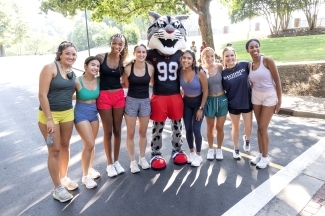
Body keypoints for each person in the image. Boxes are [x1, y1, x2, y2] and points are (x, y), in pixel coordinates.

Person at [146, 11, 188, 170]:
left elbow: (189, 71)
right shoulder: (150, 54)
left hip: (175, 94)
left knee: (178, 125)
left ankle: (177, 149)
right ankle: (155, 153)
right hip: (158, 95)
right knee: (158, 127)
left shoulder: (180, 54)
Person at [38, 41, 78, 202]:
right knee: (54, 150)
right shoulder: (50, 68)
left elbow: (70, 94)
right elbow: (42, 95)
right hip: (49, 116)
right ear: (60, 54)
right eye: (67, 53)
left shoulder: (71, 71)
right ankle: (57, 188)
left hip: (67, 114)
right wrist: (49, 119)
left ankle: (64, 177)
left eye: (74, 54)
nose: (71, 56)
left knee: (65, 146)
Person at [96, 34, 128, 177]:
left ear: (123, 45)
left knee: (118, 131)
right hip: (104, 97)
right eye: (114, 43)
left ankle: (116, 162)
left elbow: (126, 81)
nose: (117, 46)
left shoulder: (123, 61)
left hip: (119, 97)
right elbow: (90, 72)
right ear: (110, 43)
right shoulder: (101, 57)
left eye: (120, 44)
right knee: (108, 132)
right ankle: (109, 164)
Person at [246, 39, 282, 168]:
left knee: (263, 127)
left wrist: (279, 100)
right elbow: (252, 81)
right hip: (256, 96)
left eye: (256, 46)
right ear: (247, 50)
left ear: (259, 48)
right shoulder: (250, 65)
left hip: (269, 96)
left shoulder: (267, 60)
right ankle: (261, 154)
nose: (254, 49)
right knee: (259, 127)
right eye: (251, 47)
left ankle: (266, 157)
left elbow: (277, 81)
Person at [122, 44, 154, 173]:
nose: (141, 54)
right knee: (130, 133)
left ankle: (142, 158)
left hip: (145, 101)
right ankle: (133, 162)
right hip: (131, 101)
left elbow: (153, 82)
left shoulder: (150, 68)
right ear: (134, 53)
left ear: (146, 54)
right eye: (139, 52)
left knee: (143, 132)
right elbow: (124, 83)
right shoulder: (128, 68)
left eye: (143, 52)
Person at [74, 56, 101, 188]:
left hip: (94, 114)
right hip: (80, 114)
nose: (95, 68)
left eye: (97, 65)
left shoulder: (99, 81)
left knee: (91, 144)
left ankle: (90, 169)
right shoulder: (77, 81)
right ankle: (85, 177)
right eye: (92, 65)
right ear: (85, 66)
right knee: (89, 144)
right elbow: (67, 95)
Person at [221, 46, 253, 160]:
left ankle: (247, 140)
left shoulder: (244, 65)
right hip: (233, 103)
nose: (230, 58)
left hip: (247, 101)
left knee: (248, 127)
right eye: (227, 56)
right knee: (236, 127)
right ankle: (236, 149)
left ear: (235, 56)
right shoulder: (223, 73)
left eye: (232, 55)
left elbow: (257, 68)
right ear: (223, 58)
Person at [179, 50, 208, 167]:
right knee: (188, 129)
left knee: (196, 129)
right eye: (184, 58)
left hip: (199, 103)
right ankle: (191, 153)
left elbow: (206, 91)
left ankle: (199, 155)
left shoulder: (199, 72)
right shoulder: (180, 71)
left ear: (193, 60)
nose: (186, 60)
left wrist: (201, 108)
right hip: (186, 103)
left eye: (189, 58)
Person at [201, 47, 228, 160]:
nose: (210, 58)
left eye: (212, 56)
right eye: (207, 56)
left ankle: (219, 149)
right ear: (203, 57)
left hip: (222, 99)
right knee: (210, 127)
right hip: (209, 100)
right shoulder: (201, 70)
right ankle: (211, 149)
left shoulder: (220, 67)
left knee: (220, 127)